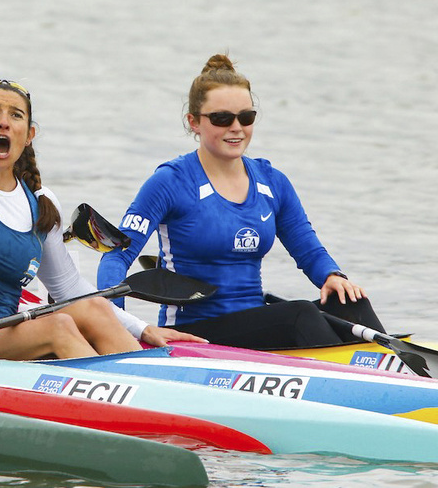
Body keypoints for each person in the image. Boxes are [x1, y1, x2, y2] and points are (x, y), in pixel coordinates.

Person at [0, 0, 202, 361]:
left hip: (2, 346)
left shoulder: (39, 208)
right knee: (59, 323)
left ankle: (158, 385)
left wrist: (144, 328)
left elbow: (70, 289)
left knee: (94, 307)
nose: (4, 122)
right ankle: (123, 405)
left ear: (29, 135)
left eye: (16, 116)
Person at [97, 54, 384, 349]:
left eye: (246, 117)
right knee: (300, 314)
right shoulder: (170, 182)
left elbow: (308, 249)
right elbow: (116, 257)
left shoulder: (272, 182)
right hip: (195, 332)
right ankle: (354, 377)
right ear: (193, 122)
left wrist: (331, 276)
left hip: (256, 323)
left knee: (350, 301)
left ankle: (401, 377)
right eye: (222, 118)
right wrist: (121, 327)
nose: (236, 127)